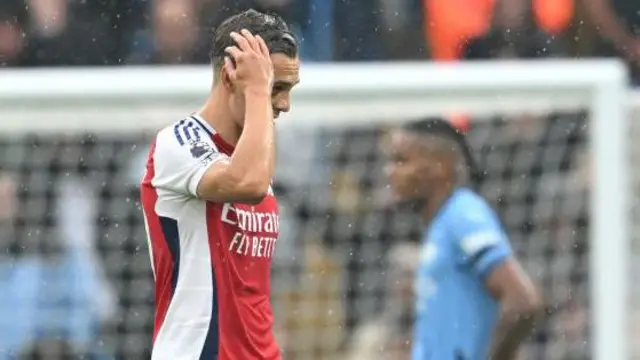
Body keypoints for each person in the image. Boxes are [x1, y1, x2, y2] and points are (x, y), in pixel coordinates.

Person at [139, 9, 299, 360]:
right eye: (277, 88)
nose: (284, 104)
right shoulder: (177, 143)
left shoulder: (254, 153)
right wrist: (258, 90)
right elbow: (248, 183)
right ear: (231, 78)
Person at [383, 118, 543, 360]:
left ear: (440, 166)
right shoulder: (442, 223)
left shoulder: (463, 213)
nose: (390, 171)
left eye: (401, 160)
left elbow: (523, 303)